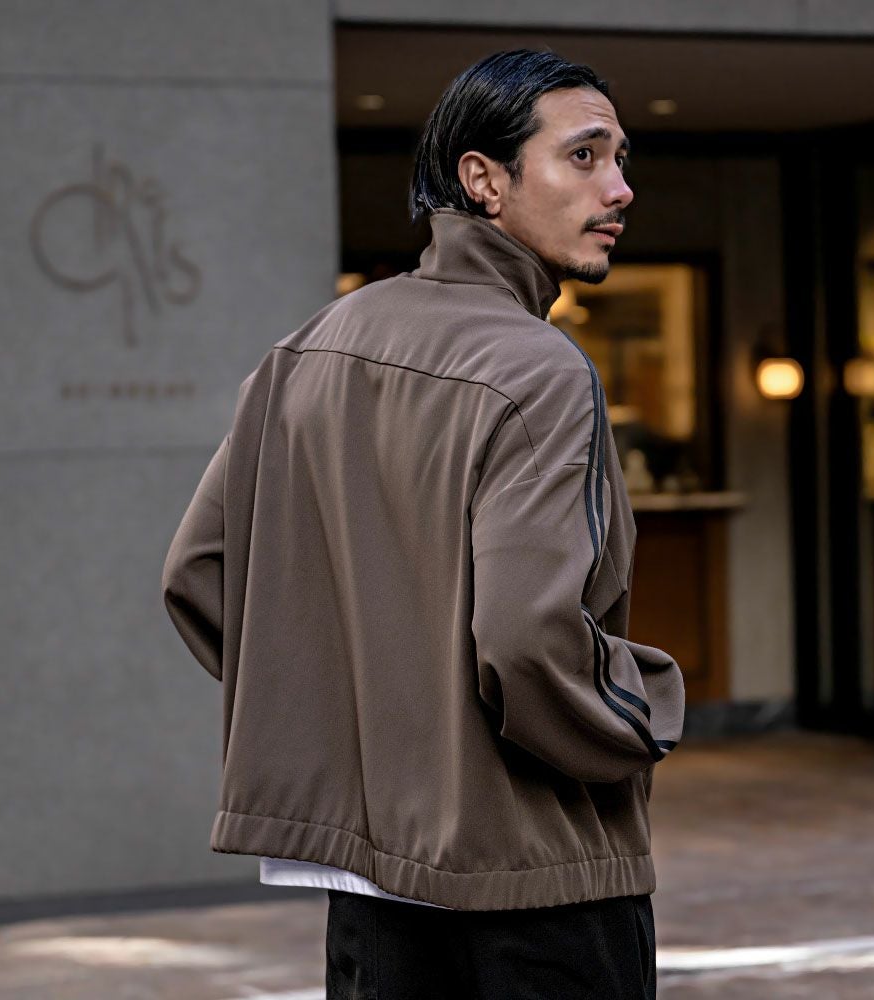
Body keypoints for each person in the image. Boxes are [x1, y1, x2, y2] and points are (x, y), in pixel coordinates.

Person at [162, 47, 684, 1000]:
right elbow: (527, 641)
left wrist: (362, 718)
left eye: (620, 160)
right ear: (483, 178)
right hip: (538, 883)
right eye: (583, 156)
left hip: (371, 891)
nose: (619, 188)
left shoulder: (308, 349)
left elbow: (200, 573)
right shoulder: (537, 367)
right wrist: (645, 709)